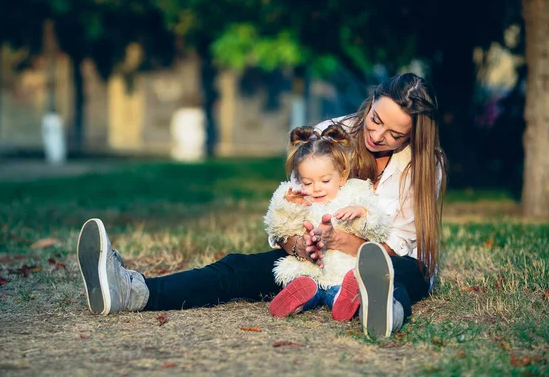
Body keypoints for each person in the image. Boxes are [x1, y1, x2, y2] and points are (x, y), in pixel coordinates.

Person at [77, 72, 447, 339]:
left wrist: (340, 242)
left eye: (395, 134)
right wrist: (298, 245)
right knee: (237, 268)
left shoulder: (427, 167)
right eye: (376, 119)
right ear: (371, 103)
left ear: (413, 135)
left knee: (404, 272)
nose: (377, 135)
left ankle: (385, 311)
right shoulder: (332, 132)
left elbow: (399, 243)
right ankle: (136, 292)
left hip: (381, 263)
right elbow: (286, 210)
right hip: (311, 265)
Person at [264, 124, 390, 320]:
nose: (316, 189)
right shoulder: (298, 198)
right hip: (308, 268)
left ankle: (342, 299)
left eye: (325, 181)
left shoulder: (354, 195)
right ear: (298, 180)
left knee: (340, 287)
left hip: (341, 269)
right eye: (308, 182)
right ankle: (299, 297)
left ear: (342, 176)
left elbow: (379, 228)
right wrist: (289, 206)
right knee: (303, 283)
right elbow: (278, 227)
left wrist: (361, 213)